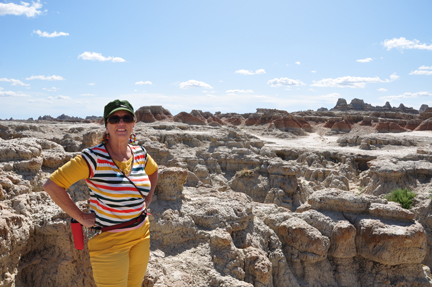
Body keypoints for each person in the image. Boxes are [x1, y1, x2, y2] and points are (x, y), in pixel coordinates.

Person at [43, 99, 158, 287]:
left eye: (126, 118)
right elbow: (52, 185)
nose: (121, 123)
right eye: (115, 119)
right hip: (109, 241)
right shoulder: (92, 157)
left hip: (141, 235)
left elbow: (154, 171)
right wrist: (80, 217)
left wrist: (149, 197)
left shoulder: (140, 153)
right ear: (106, 126)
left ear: (133, 124)